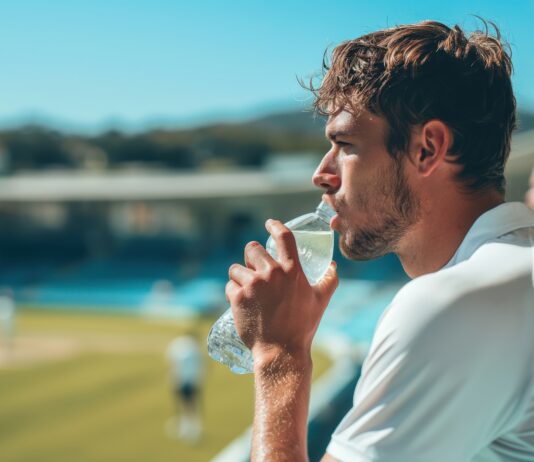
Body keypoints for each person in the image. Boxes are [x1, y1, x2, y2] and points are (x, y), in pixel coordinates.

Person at [226, 20, 534, 461]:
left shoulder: (449, 305)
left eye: (345, 144)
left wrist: (280, 354)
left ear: (427, 148)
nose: (322, 173)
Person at [166, 335, 204, 441]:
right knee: (190, 405)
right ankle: (190, 428)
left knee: (186, 405)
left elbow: (172, 363)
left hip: (182, 381)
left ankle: (189, 429)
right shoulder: (194, 349)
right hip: (190, 381)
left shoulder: (179, 346)